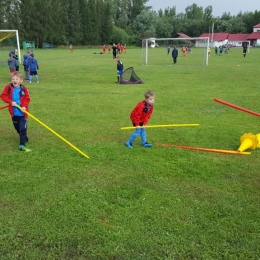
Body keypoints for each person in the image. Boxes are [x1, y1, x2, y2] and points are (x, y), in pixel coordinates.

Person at [0, 71, 31, 152]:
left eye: (17, 79)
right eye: (13, 79)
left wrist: (24, 106)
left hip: (23, 113)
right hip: (13, 113)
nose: (15, 80)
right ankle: (24, 138)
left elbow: (27, 98)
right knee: (17, 128)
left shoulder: (23, 89)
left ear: (21, 80)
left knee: (22, 129)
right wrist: (10, 102)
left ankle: (22, 145)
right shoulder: (8, 87)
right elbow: (3, 96)